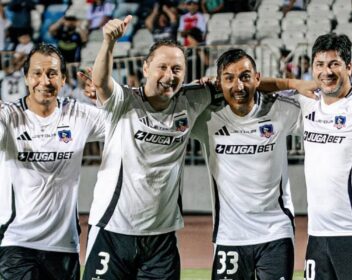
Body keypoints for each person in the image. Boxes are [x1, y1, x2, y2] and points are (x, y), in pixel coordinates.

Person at [81, 15, 220, 280]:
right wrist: (108, 42)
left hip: (161, 237)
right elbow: (100, 82)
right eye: (162, 67)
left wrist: (291, 85)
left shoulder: (192, 98)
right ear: (145, 68)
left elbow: (241, 83)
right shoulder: (124, 101)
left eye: (177, 69)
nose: (170, 76)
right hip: (113, 229)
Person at [272, 33, 352, 279]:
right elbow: (253, 87)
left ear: (349, 67)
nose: (326, 72)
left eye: (334, 64)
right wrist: (292, 83)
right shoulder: (307, 103)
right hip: (318, 237)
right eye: (319, 64)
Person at [191, 49, 301, 279]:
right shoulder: (206, 118)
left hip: (275, 233)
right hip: (229, 236)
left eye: (245, 76)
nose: (238, 86)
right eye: (229, 78)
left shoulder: (281, 109)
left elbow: (323, 105)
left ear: (257, 78)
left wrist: (291, 82)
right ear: (219, 83)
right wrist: (197, 89)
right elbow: (167, 106)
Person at [0, 43, 105, 279]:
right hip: (16, 243)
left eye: (52, 74)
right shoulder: (8, 116)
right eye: (37, 73)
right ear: (26, 78)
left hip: (64, 246)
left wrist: (107, 99)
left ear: (63, 79)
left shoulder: (79, 114)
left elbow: (127, 124)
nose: (44, 81)